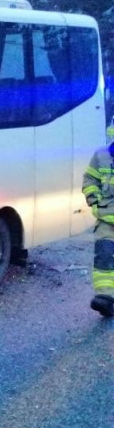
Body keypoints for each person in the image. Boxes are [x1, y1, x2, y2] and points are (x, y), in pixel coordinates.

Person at [81, 124, 114, 317]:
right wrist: (94, 200)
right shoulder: (102, 155)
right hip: (107, 219)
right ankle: (105, 298)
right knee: (104, 256)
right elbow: (90, 179)